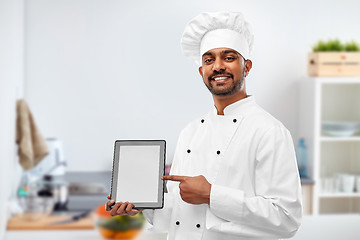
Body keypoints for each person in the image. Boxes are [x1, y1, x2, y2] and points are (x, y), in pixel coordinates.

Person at [106, 11, 302, 240]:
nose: (218, 66)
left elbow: (287, 219)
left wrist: (211, 194)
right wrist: (142, 205)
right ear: (202, 71)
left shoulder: (269, 131)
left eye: (228, 57)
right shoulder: (191, 131)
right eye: (209, 60)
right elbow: (180, 215)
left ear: (247, 66)